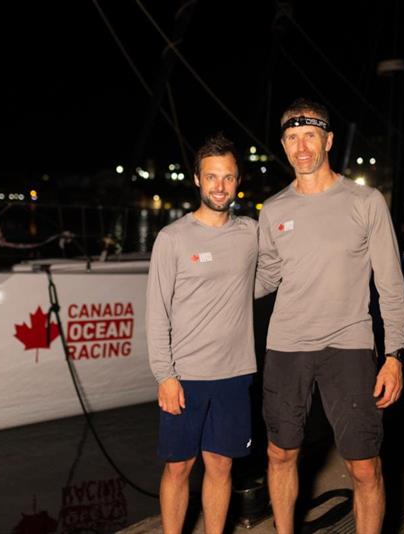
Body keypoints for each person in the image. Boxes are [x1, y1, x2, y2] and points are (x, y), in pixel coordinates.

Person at [255, 98, 404, 534]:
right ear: (283, 145)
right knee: (280, 454)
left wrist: (395, 353)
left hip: (350, 345)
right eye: (291, 138)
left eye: (309, 136)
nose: (301, 147)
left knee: (364, 467)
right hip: (287, 347)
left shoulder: (365, 201)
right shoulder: (275, 210)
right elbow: (264, 278)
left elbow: (391, 284)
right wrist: (213, 279)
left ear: (328, 140)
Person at [147, 133, 258, 534]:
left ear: (237, 180)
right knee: (178, 467)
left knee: (222, 464)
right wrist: (165, 375)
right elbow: (156, 310)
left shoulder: (251, 233)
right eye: (212, 177)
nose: (219, 186)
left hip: (234, 373)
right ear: (197, 179)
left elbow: (265, 278)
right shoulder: (172, 239)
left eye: (227, 177)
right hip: (186, 375)